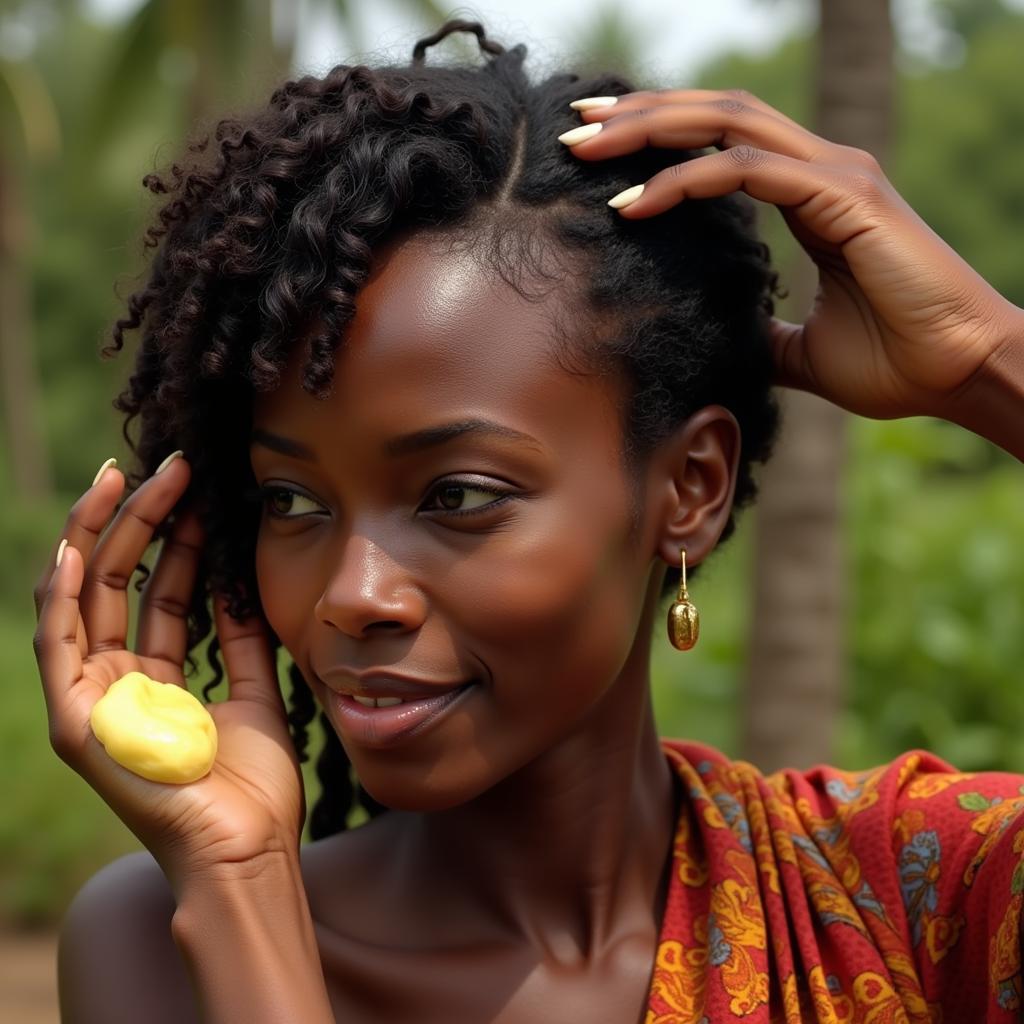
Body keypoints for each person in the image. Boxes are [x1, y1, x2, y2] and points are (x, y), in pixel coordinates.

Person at [31, 17, 1024, 1024]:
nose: (351, 594)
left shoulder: (905, 896)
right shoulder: (165, 939)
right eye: (293, 501)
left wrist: (990, 361)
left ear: (690, 487)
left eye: (456, 495)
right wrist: (245, 903)